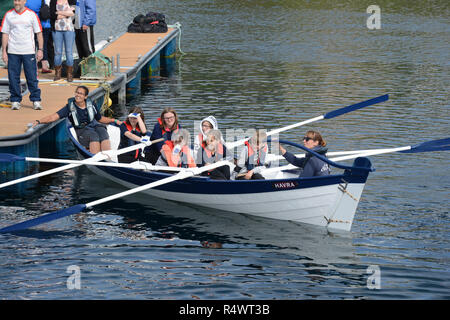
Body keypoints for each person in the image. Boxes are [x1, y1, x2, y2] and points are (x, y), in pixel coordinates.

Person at [32, 85, 122, 154]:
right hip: (82, 130)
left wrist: (114, 120)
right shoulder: (69, 108)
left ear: (85, 97)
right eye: (77, 92)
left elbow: (100, 118)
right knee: (94, 136)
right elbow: (53, 117)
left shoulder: (92, 105)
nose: (78, 95)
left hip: (94, 125)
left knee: (103, 132)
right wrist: (39, 121)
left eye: (81, 93)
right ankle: (96, 158)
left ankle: (107, 157)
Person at [1, 0, 43, 110]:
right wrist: (4, 51)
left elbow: (38, 33)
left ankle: (36, 100)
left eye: (19, 0)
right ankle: (15, 100)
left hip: (28, 51)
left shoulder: (31, 15)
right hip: (13, 51)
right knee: (13, 77)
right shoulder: (9, 15)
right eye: (15, 0)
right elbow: (5, 33)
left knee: (32, 77)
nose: (17, 2)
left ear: (24, 1)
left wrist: (40, 50)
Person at [50, 0, 76, 81]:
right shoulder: (53, 1)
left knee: (69, 52)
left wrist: (59, 12)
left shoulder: (72, 0)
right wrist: (66, 13)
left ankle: (69, 74)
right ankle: (57, 73)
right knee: (57, 52)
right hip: (57, 30)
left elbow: (73, 13)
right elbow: (53, 15)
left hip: (69, 30)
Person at [25, 0, 52, 73]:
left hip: (33, 25)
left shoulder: (27, 2)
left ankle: (34, 66)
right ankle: (45, 66)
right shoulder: (42, 0)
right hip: (45, 25)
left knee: (32, 46)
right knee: (43, 46)